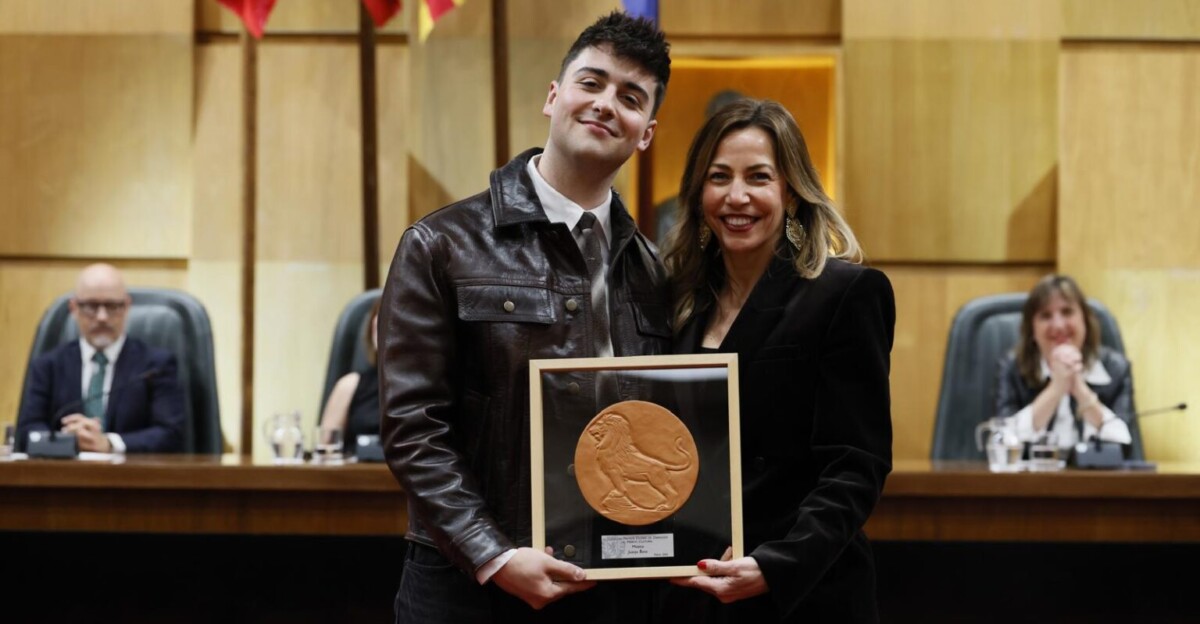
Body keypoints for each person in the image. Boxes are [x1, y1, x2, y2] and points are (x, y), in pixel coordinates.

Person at [378, 12, 672, 623]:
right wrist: (492, 554)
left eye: (630, 97)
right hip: (468, 584)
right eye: (591, 83)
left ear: (645, 132)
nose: (605, 104)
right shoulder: (442, 244)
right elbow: (413, 428)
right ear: (554, 96)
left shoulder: (654, 269)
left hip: (608, 582)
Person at [660, 99, 895, 623]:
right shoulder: (674, 302)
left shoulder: (845, 293)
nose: (736, 196)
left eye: (759, 177)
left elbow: (855, 466)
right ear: (699, 196)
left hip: (800, 593)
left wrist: (776, 565)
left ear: (790, 193)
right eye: (718, 177)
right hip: (691, 593)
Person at [16, 263, 185, 453]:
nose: (102, 317)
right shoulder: (48, 366)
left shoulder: (156, 366)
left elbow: (171, 434)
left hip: (132, 477)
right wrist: (67, 440)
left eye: (112, 306)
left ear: (126, 307)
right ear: (74, 308)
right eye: (91, 306)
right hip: (63, 477)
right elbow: (26, 431)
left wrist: (109, 443)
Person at [994, 274, 1134, 451]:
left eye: (1067, 312)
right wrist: (1057, 387)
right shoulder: (1013, 368)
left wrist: (1079, 388)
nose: (1058, 325)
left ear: (1085, 320)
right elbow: (1003, 441)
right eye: (1046, 315)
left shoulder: (1115, 368)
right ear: (1032, 329)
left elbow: (1124, 444)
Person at [319, 299, 381, 454]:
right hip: (358, 474)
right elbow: (326, 452)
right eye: (376, 326)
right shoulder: (350, 385)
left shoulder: (434, 385)